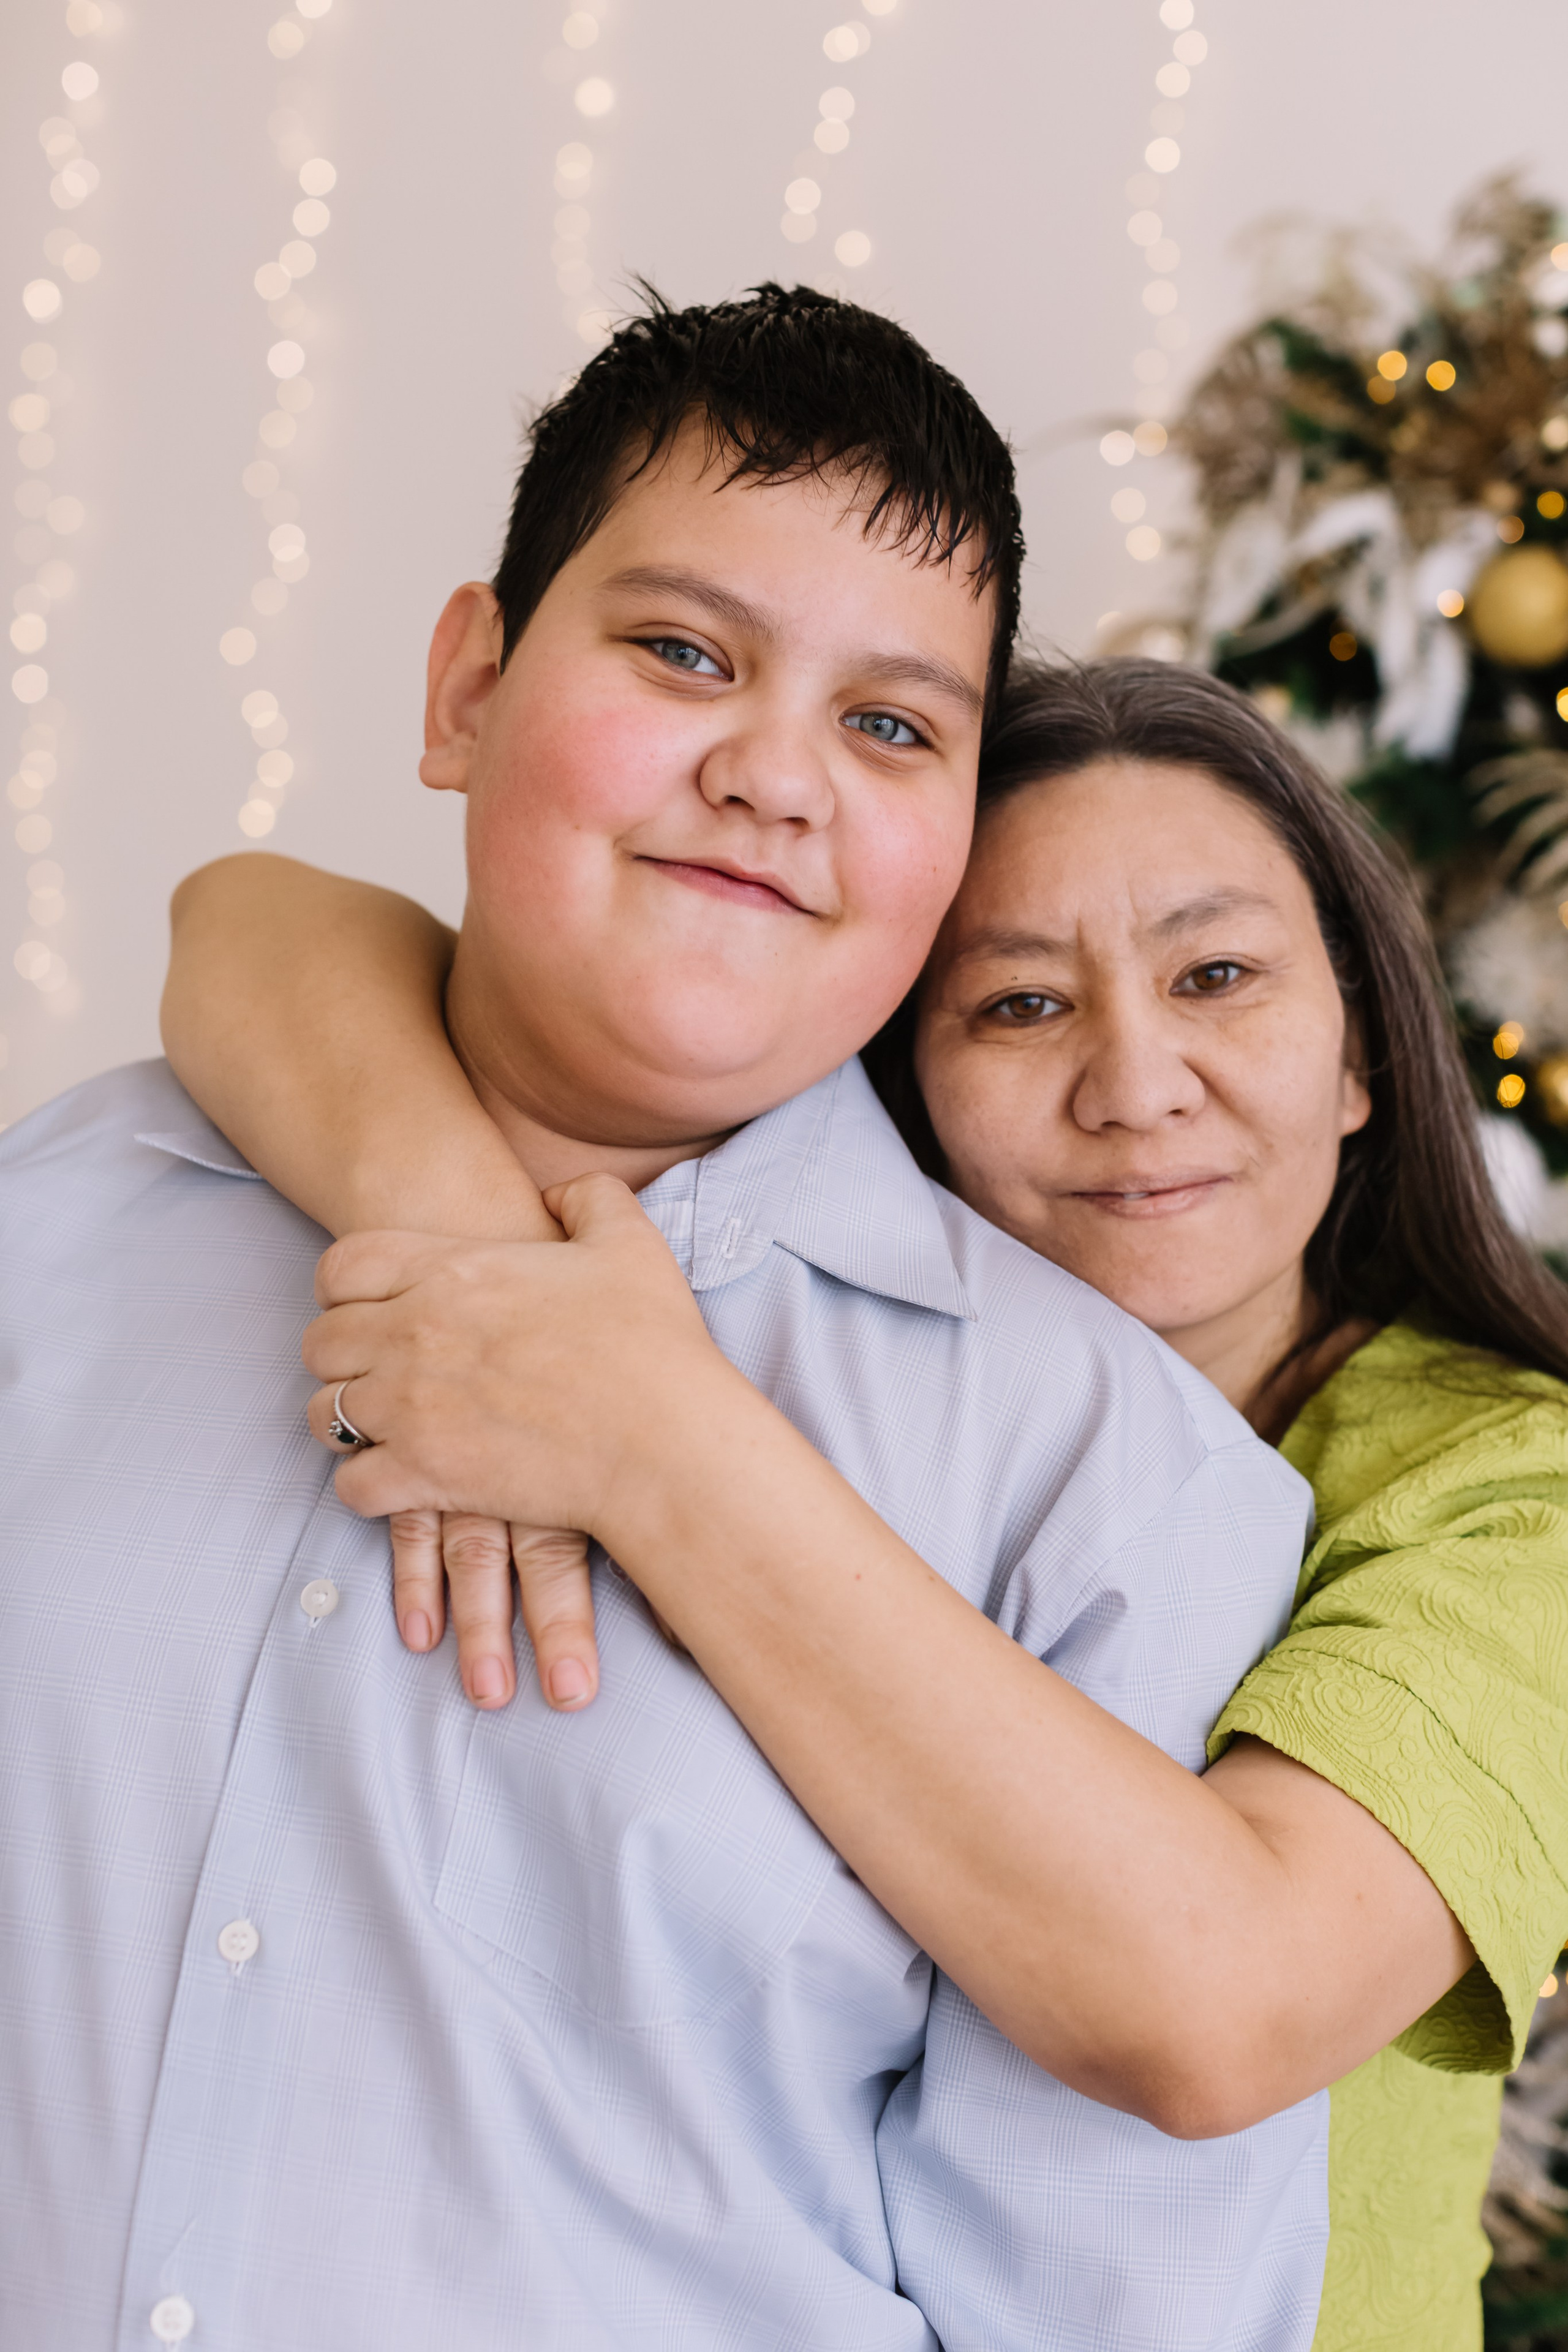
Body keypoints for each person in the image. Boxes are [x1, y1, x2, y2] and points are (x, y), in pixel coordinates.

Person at [0, 290, 1330, 2352]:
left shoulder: (1105, 1486)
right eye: (687, 655)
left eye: (892, 727)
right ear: (468, 689)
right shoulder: (65, 1219)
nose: (774, 776)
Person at [164, 658, 1568, 2352]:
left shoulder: (1518, 1492)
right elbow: (248, 922)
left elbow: (1220, 2007)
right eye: (1020, 1005)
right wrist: (464, 1233)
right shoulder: (797, 1340)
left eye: (1218, 977)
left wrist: (645, 1439)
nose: (1136, 1083)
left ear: (1360, 1057)